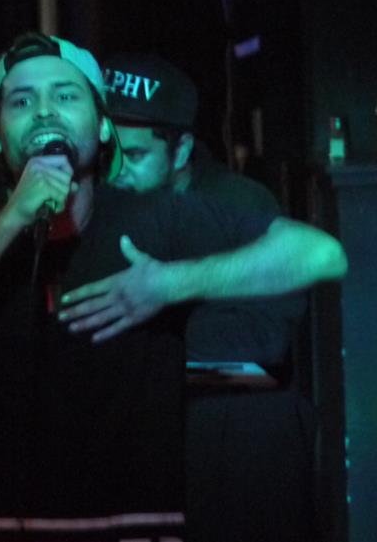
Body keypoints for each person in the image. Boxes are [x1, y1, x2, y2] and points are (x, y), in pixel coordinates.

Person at [0, 31, 346, 540]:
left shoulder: (155, 218)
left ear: (102, 128)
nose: (44, 112)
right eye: (21, 101)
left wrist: (171, 283)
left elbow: (321, 254)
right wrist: (12, 218)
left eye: (66, 96)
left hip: (135, 524)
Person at [103, 50, 322, 541]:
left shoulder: (241, 208)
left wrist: (147, 356)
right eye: (107, 156)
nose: (116, 173)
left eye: (134, 156)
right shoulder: (104, 205)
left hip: (233, 452)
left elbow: (261, 354)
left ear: (181, 151)